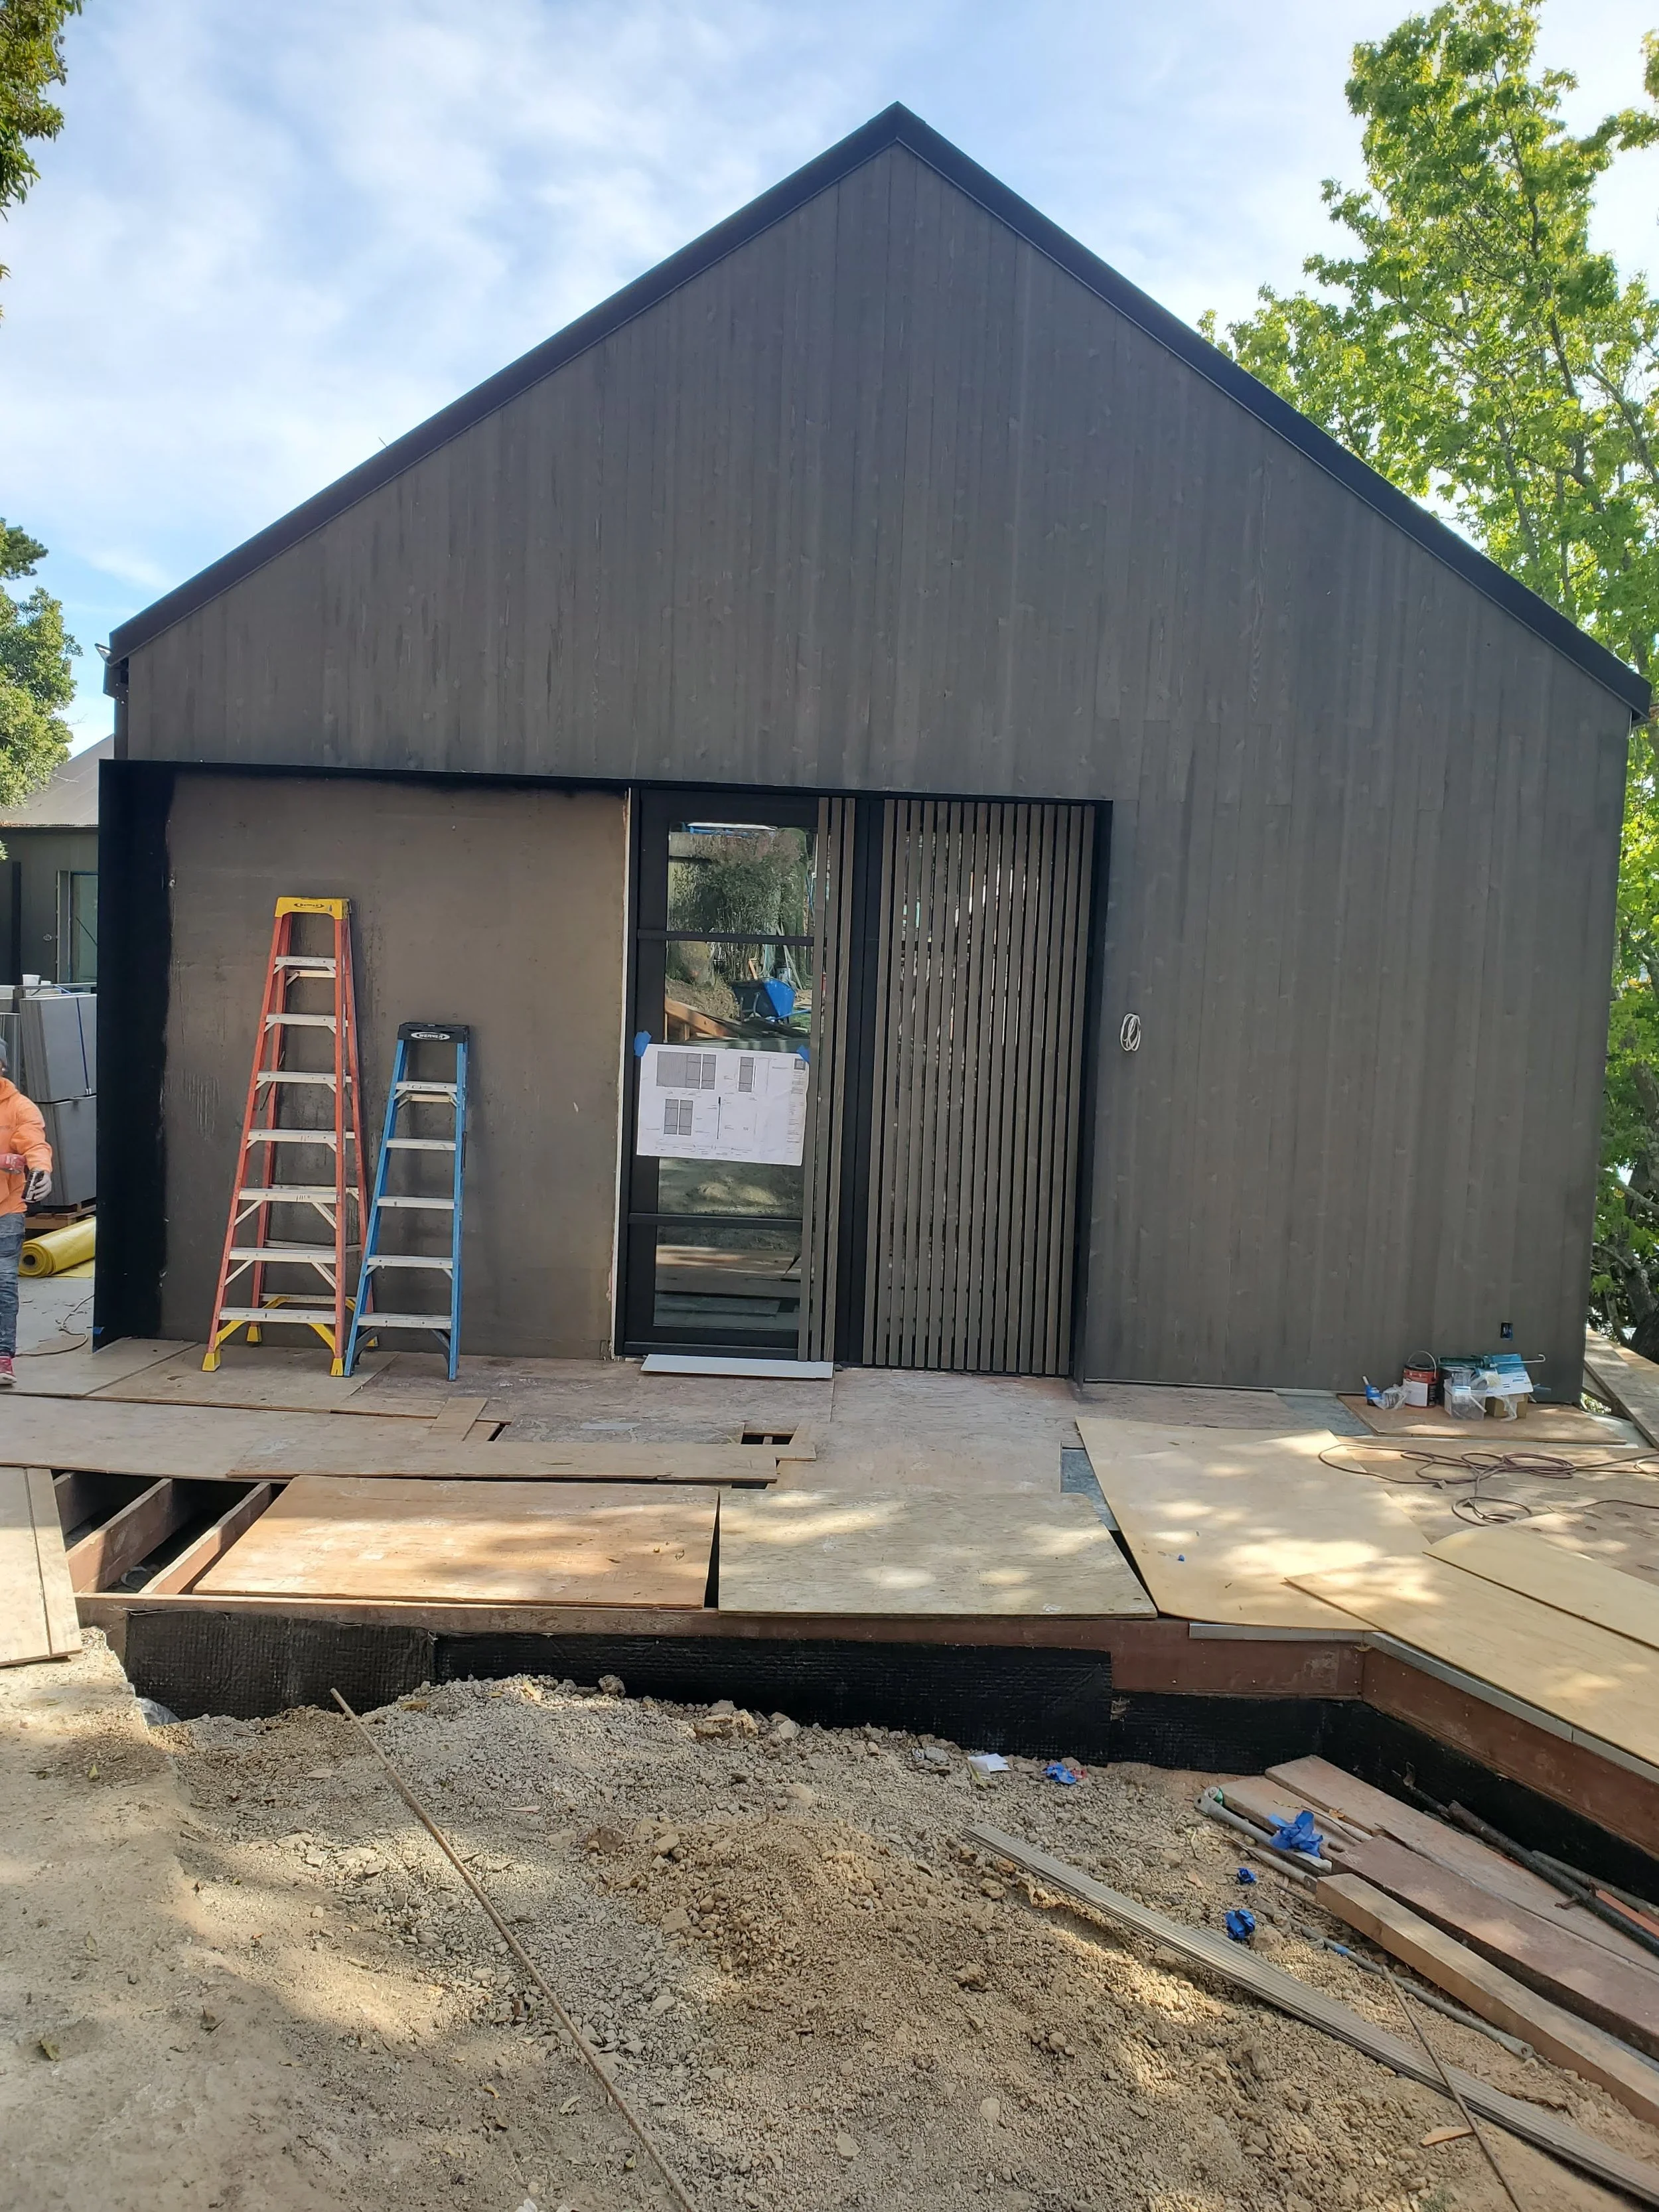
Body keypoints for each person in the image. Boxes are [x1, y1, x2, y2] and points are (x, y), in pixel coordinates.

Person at [0, 1035, 52, 1386]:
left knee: (3, 1285)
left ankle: (3, 1358)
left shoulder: (19, 1108)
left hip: (6, 1210)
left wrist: (41, 1169)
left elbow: (35, 1143)